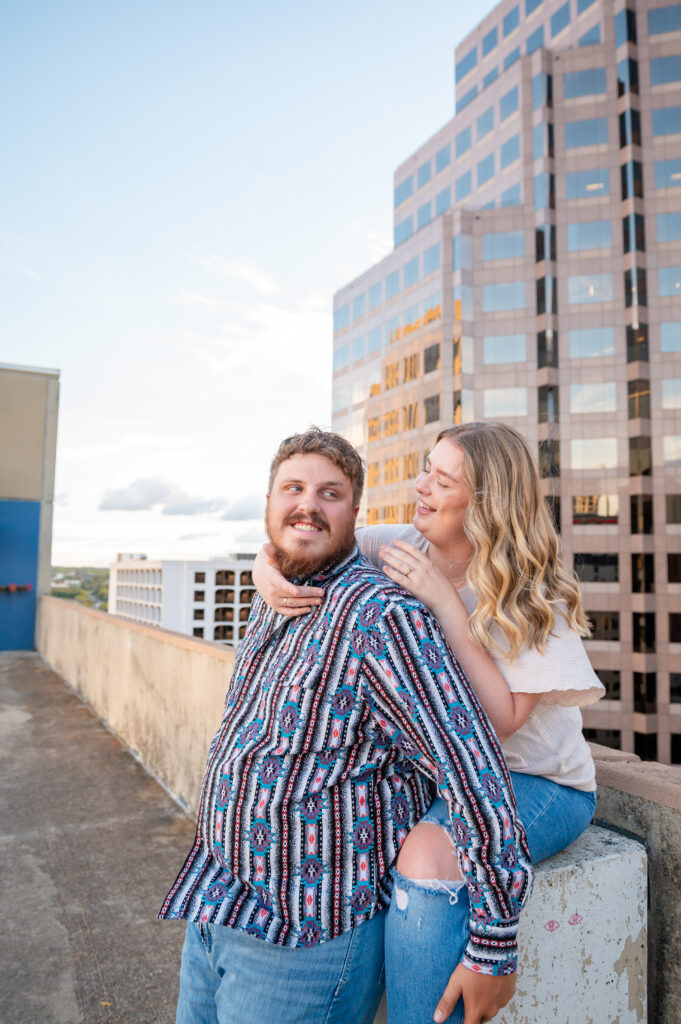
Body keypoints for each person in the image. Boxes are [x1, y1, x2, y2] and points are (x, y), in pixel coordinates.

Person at [160, 427, 533, 1024]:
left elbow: (473, 765)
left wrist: (493, 946)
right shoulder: (275, 594)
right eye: (293, 488)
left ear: (355, 514)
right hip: (218, 906)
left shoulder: (382, 619)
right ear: (268, 503)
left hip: (303, 938)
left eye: (329, 493)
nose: (307, 504)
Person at [254, 421, 604, 1024]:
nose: (421, 487)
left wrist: (446, 606)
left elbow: (500, 726)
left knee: (426, 853)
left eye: (442, 481)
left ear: (487, 501)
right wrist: (266, 568)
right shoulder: (397, 546)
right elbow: (312, 533)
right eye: (426, 470)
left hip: (537, 784)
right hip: (448, 777)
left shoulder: (531, 589)